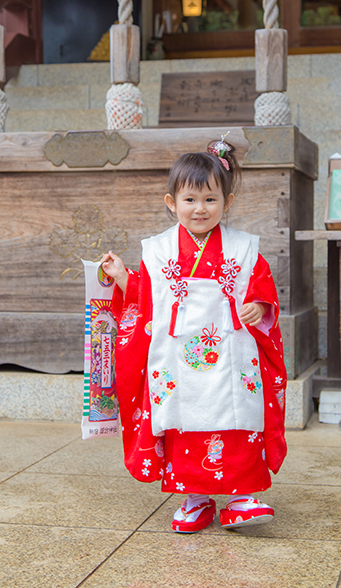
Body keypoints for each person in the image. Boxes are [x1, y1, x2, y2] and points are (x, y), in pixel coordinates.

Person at [101, 135, 287, 533]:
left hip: (233, 353)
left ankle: (242, 496)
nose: (199, 209)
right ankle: (195, 497)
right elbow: (147, 301)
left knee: (239, 418)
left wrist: (260, 307)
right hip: (178, 357)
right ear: (172, 203)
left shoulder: (244, 249)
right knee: (183, 419)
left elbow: (261, 289)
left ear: (227, 202)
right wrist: (123, 279)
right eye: (189, 200)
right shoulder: (158, 251)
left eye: (209, 200)